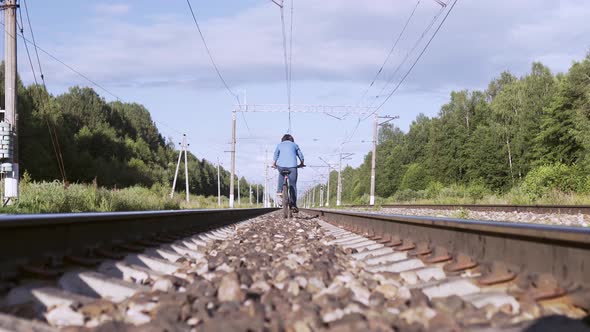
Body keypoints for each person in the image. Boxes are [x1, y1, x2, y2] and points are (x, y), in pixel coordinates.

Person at [272, 134, 304, 212]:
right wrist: (302, 163)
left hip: (281, 166)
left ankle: (279, 191)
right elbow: (301, 155)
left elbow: (275, 155)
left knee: (281, 173)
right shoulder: (295, 145)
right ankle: (293, 205)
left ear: (283, 140)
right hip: (292, 167)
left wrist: (274, 164)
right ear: (291, 140)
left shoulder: (279, 145)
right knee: (293, 185)